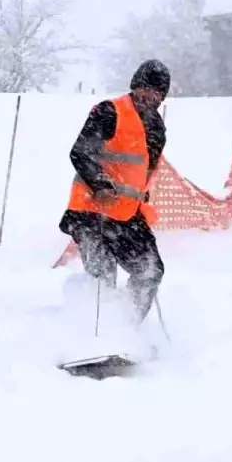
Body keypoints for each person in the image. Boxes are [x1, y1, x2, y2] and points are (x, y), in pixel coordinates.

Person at [58, 59, 169, 325]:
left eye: (157, 92)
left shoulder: (157, 128)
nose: (149, 96)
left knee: (150, 271)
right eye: (145, 88)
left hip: (127, 214)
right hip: (89, 211)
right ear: (134, 86)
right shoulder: (109, 111)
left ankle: (124, 330)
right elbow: (80, 152)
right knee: (102, 277)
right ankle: (92, 337)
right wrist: (100, 184)